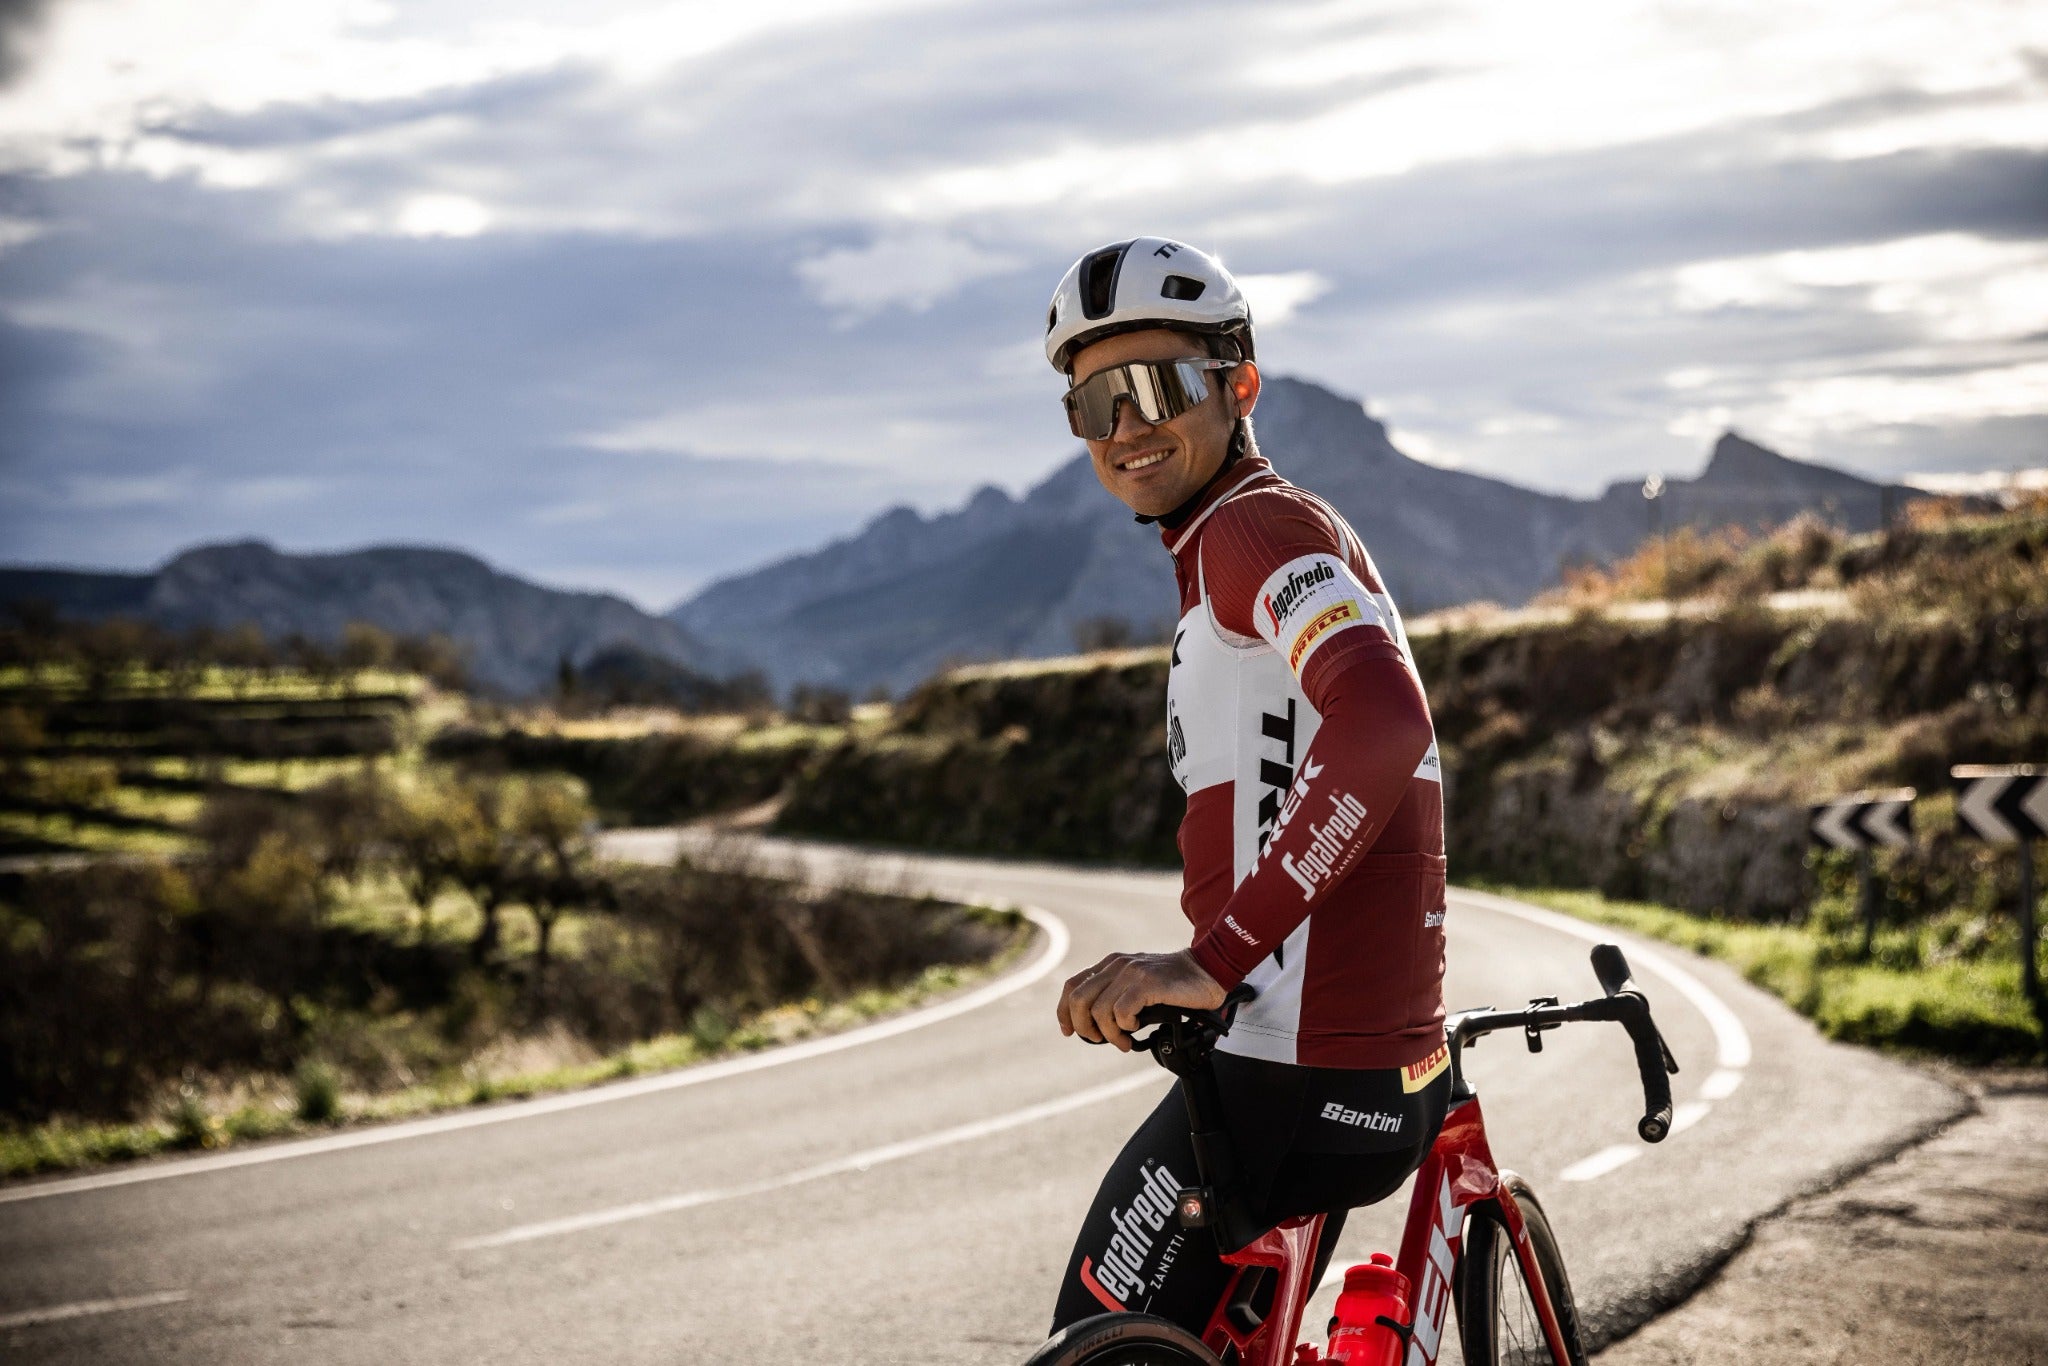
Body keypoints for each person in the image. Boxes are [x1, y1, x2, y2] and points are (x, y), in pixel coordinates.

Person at [1042, 238, 1450, 1334]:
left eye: (1158, 386)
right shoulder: (1271, 538)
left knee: (1092, 1349)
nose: (1125, 426)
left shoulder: (1253, 528)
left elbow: (1381, 726)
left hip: (1287, 1080)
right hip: (1371, 1077)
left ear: (1240, 385)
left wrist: (1208, 959)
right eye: (1093, 404)